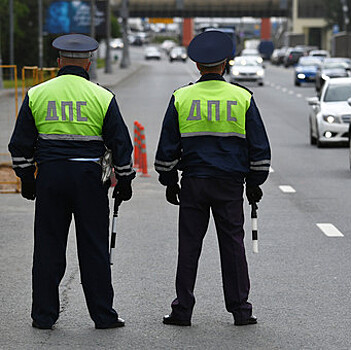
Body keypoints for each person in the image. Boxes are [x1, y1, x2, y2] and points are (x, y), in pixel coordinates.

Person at [8, 34, 135, 330]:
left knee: (48, 248)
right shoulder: (102, 97)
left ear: (58, 62)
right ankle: (103, 315)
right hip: (89, 180)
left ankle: (43, 315)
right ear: (88, 63)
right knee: (94, 248)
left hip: (51, 178)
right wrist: (125, 179)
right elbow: (120, 144)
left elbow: (20, 145)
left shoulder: (37, 94)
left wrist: (28, 179)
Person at [155, 30, 271, 327]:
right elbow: (258, 146)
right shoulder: (242, 97)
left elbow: (167, 147)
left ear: (197, 66)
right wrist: (255, 183)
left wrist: (169, 181)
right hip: (230, 184)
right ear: (226, 64)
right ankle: (241, 310)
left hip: (194, 182)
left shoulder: (182, 97)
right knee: (233, 246)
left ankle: (183, 310)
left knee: (189, 246)